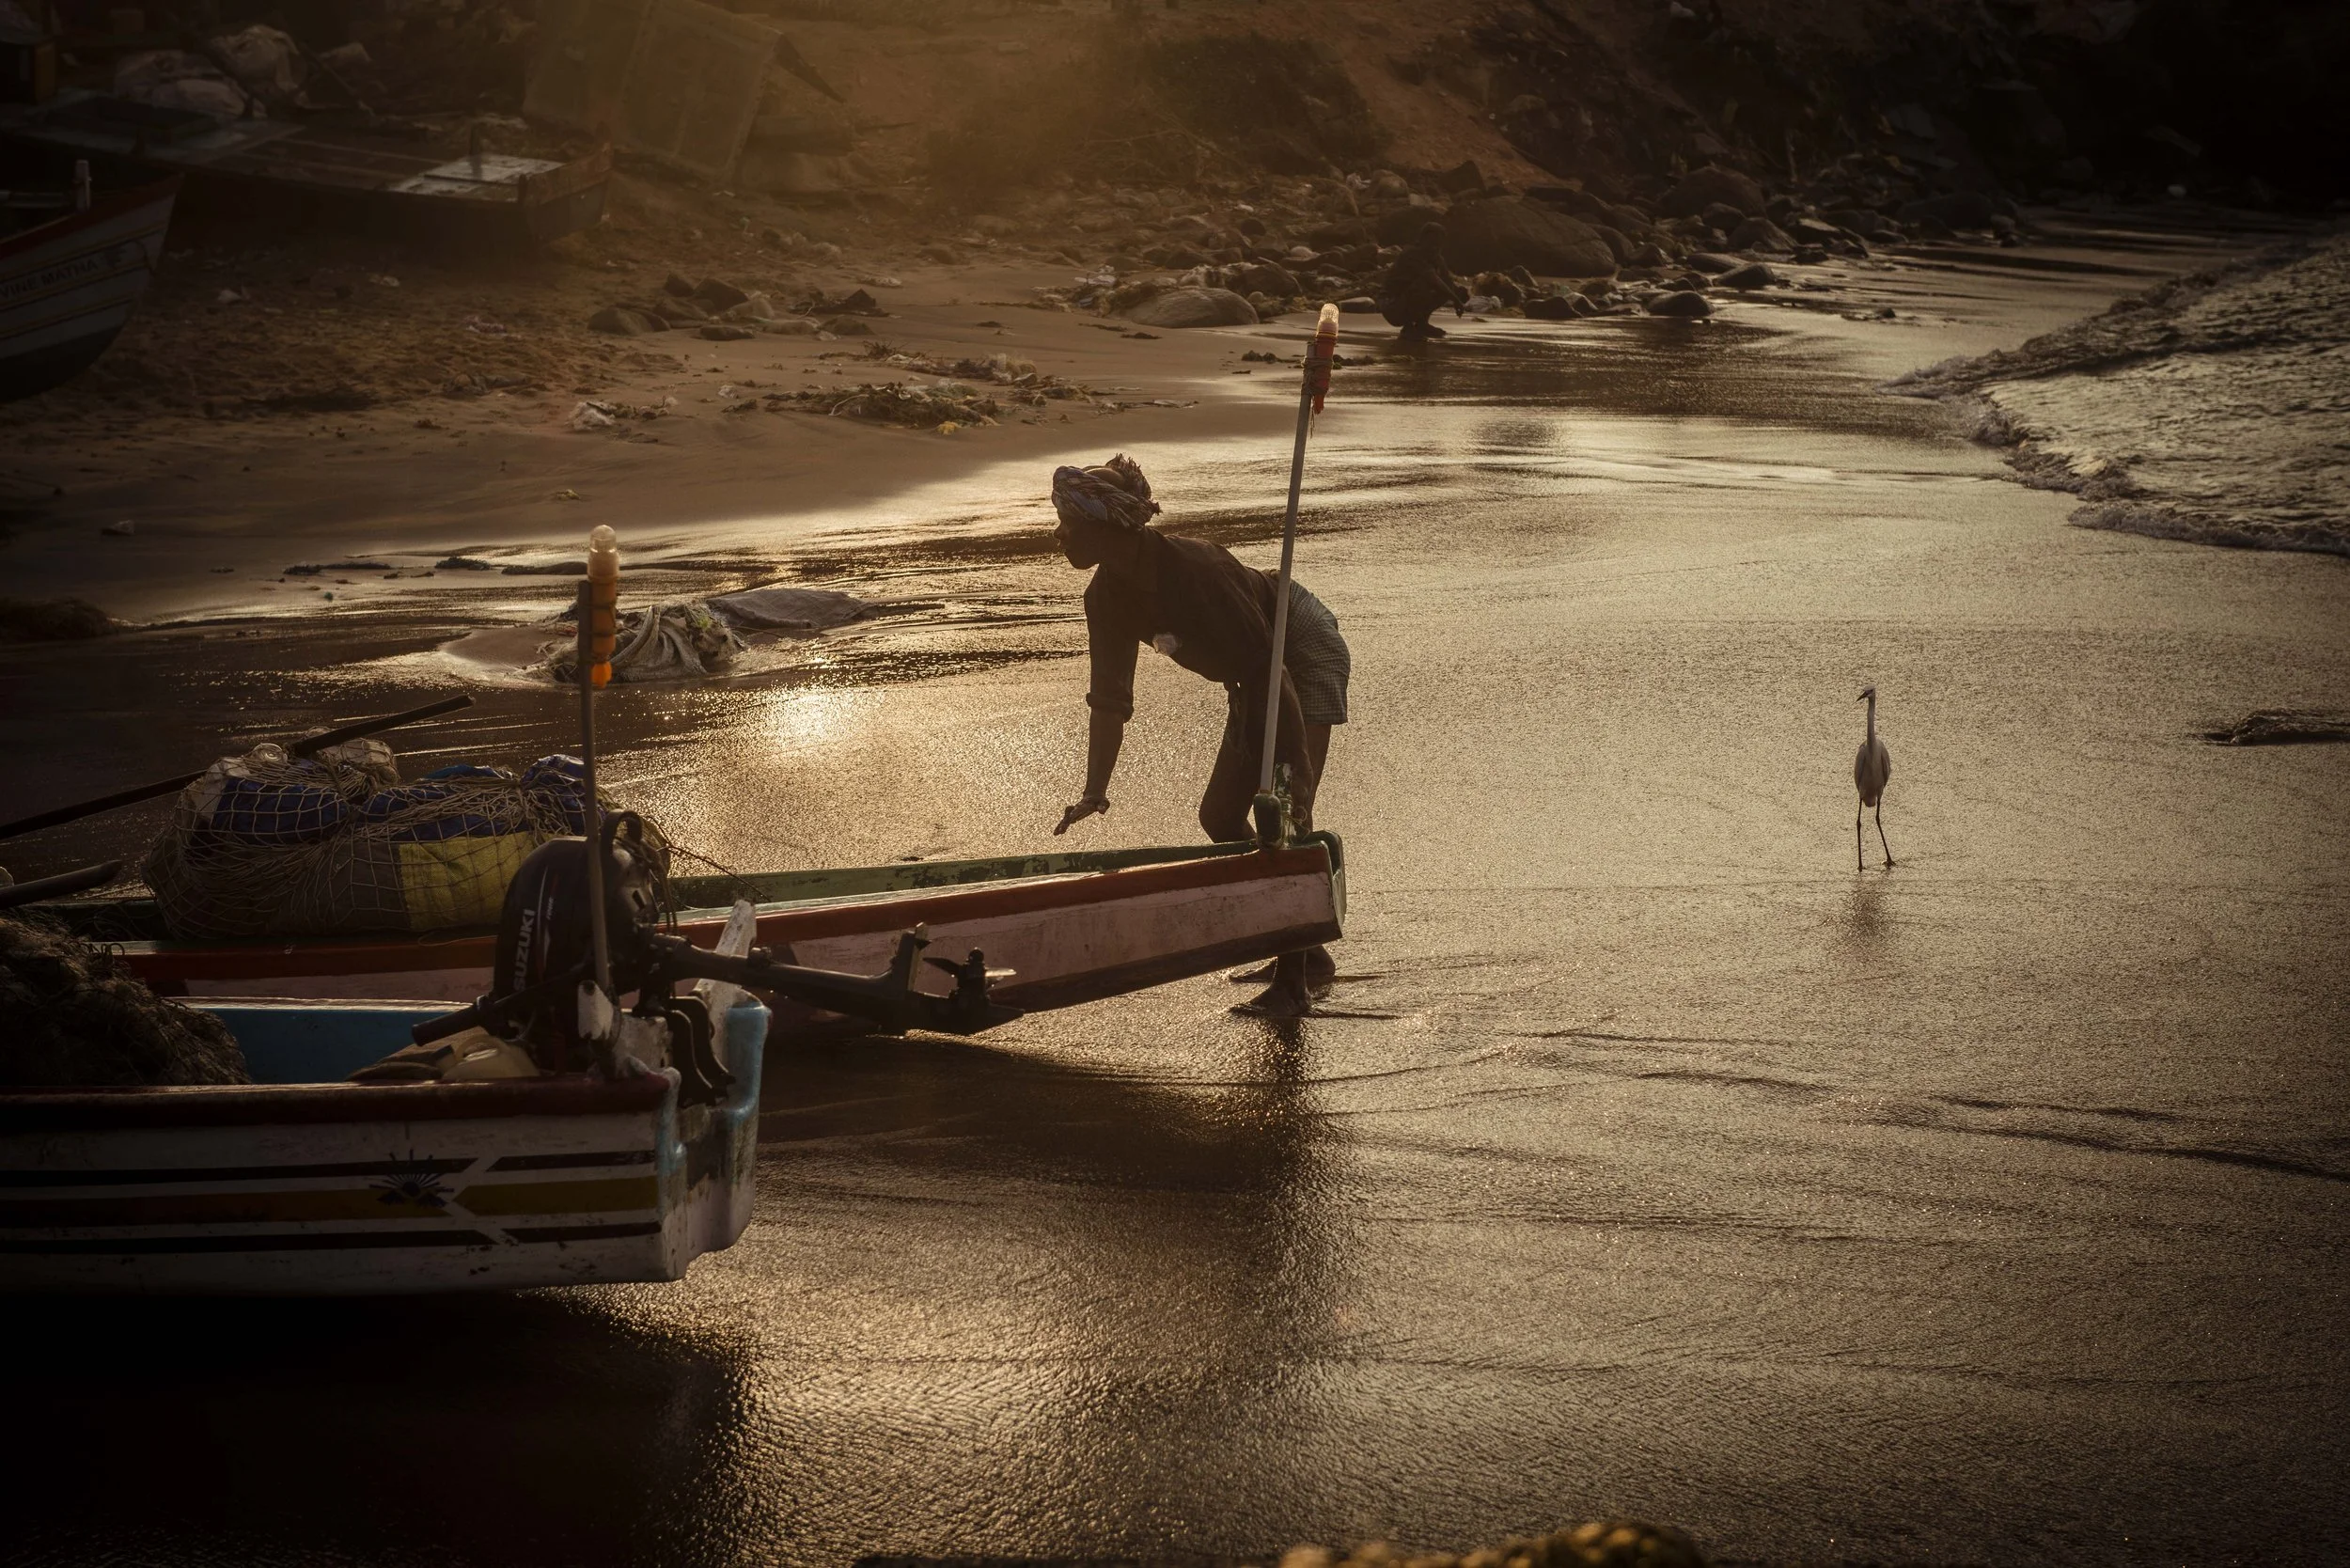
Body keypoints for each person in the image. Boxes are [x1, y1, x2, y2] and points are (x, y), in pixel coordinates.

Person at [1047, 456, 1350, 1015]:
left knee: (1281, 812)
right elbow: (1111, 699)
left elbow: (1271, 667)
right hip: (1253, 675)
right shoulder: (1106, 597)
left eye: (1068, 520)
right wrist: (1095, 788)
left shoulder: (1198, 568)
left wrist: (1289, 771)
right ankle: (1303, 946)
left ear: (1106, 524)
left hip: (1297, 650)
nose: (1058, 532)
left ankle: (1292, 982)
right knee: (1220, 818)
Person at [1376, 223, 1465, 340]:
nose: (1434, 248)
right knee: (1425, 284)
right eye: (1431, 244)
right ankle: (1407, 327)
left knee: (1448, 287)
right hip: (1391, 304)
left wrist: (1457, 295)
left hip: (1405, 300)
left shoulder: (1437, 258)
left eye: (1437, 245)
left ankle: (1422, 324)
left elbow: (1447, 281)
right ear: (1422, 240)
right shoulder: (1412, 254)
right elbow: (1432, 278)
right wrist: (1455, 300)